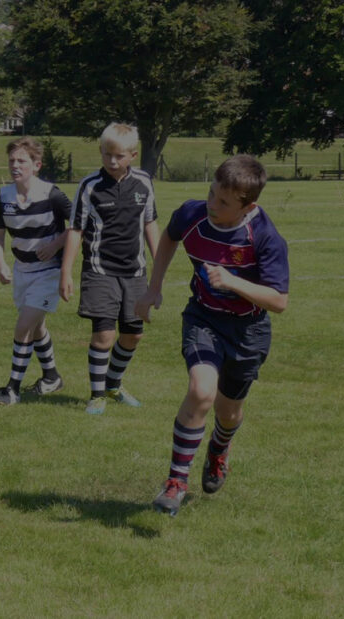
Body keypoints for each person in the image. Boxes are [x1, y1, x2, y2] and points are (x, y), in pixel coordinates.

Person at [137, 155, 289, 516]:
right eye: (211, 194)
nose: (212, 205)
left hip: (247, 331)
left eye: (223, 202)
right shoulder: (193, 214)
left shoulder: (265, 237)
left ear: (248, 205)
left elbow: (279, 301)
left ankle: (219, 450)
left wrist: (232, 280)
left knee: (228, 411)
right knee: (200, 391)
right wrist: (153, 287)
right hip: (203, 318)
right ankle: (175, 482)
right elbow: (170, 238)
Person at [59, 123, 159, 415]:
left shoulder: (144, 182)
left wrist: (158, 265)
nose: (112, 162)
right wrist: (66, 272)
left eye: (118, 156)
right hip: (99, 270)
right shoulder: (90, 186)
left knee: (133, 334)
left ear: (133, 155)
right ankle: (97, 394)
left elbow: (150, 223)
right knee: (104, 335)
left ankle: (114, 384)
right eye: (106, 155)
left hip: (135, 272)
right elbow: (75, 230)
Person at [0, 137, 73, 405]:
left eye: (21, 161)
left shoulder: (52, 195)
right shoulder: (4, 197)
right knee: (36, 327)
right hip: (22, 271)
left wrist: (56, 244)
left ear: (36, 165)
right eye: (12, 160)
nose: (15, 165)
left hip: (49, 271)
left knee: (23, 326)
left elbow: (78, 226)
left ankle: (12, 389)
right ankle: (51, 376)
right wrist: (1, 264)